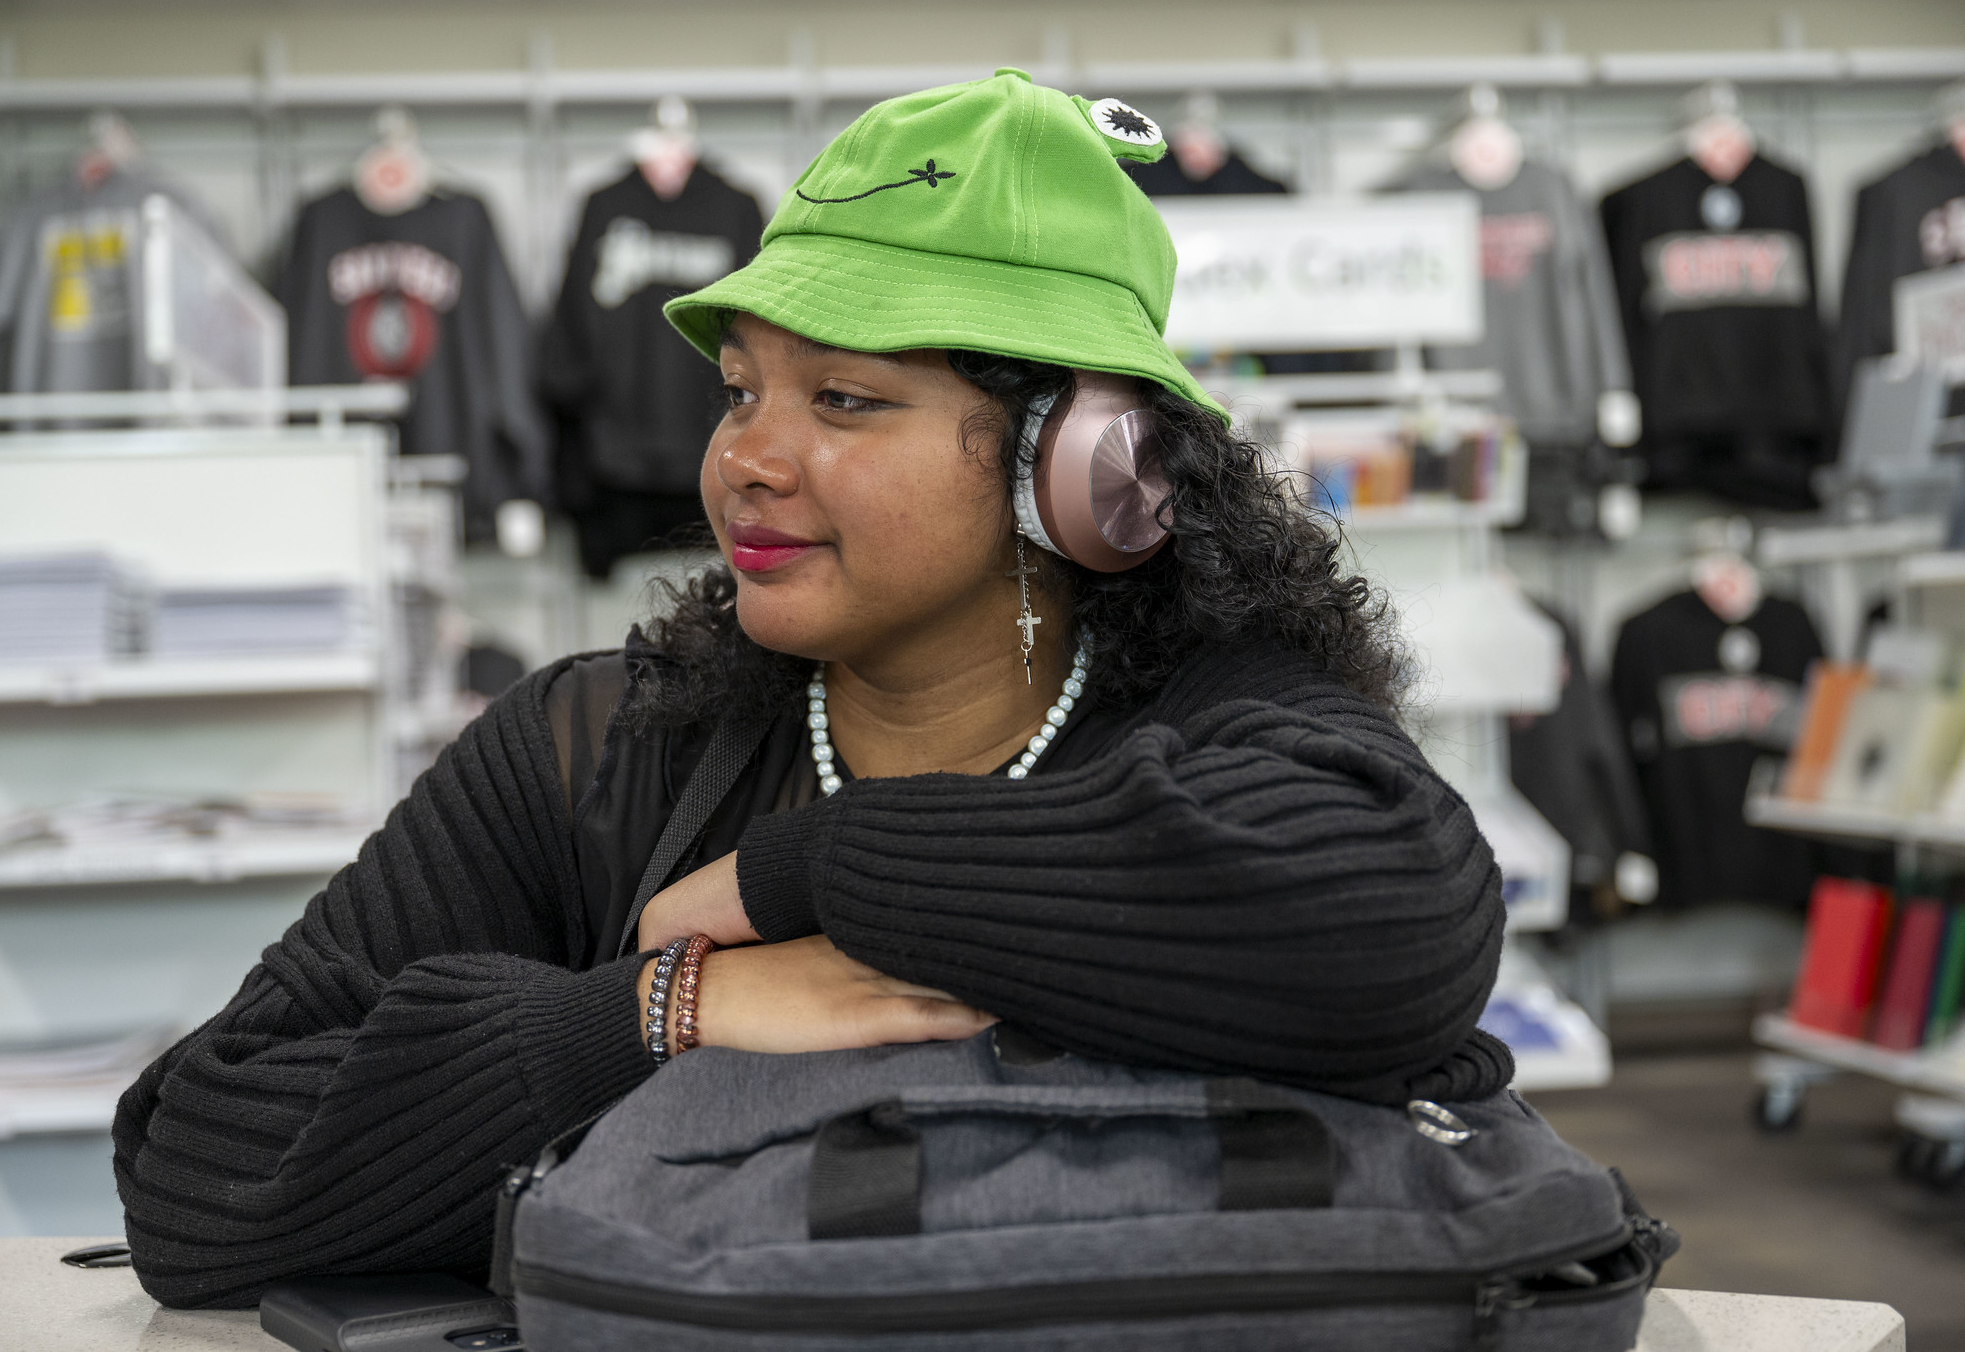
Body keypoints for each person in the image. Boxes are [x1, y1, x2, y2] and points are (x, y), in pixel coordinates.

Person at [114, 69, 1509, 1309]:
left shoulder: (1217, 709)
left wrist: (821, 876)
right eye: (739, 392)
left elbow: (1397, 915)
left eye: (843, 400)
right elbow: (197, 1166)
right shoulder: (601, 748)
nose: (744, 462)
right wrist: (657, 1013)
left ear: (1085, 464)